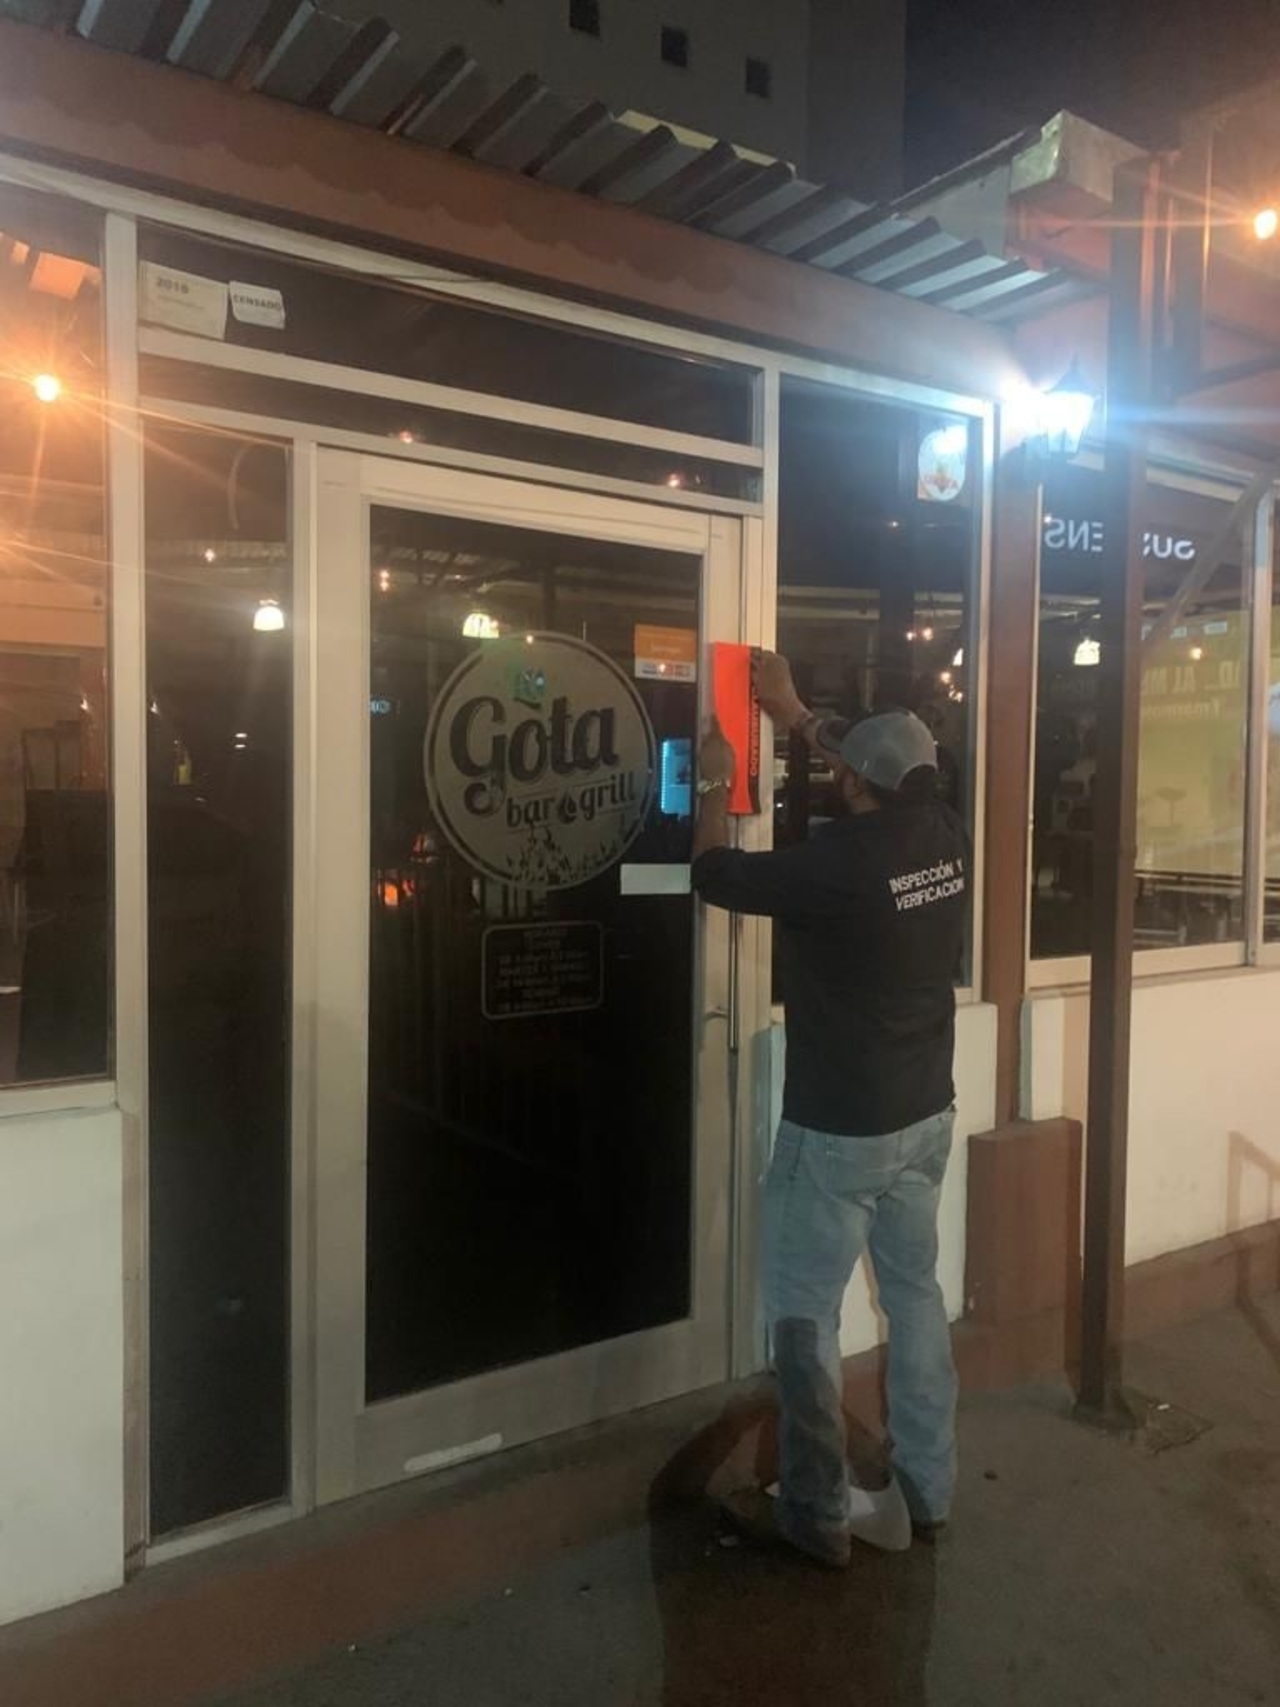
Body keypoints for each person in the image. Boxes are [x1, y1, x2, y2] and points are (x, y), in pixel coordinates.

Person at [690, 651, 967, 1569]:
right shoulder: (947, 833)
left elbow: (716, 874)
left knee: (804, 1315)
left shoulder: (839, 866)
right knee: (916, 1297)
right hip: (925, 1113)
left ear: (853, 785)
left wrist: (714, 784)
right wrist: (796, 713)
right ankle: (928, 1488)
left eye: (845, 768)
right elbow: (869, 759)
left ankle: (815, 1511)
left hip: (842, 1129)